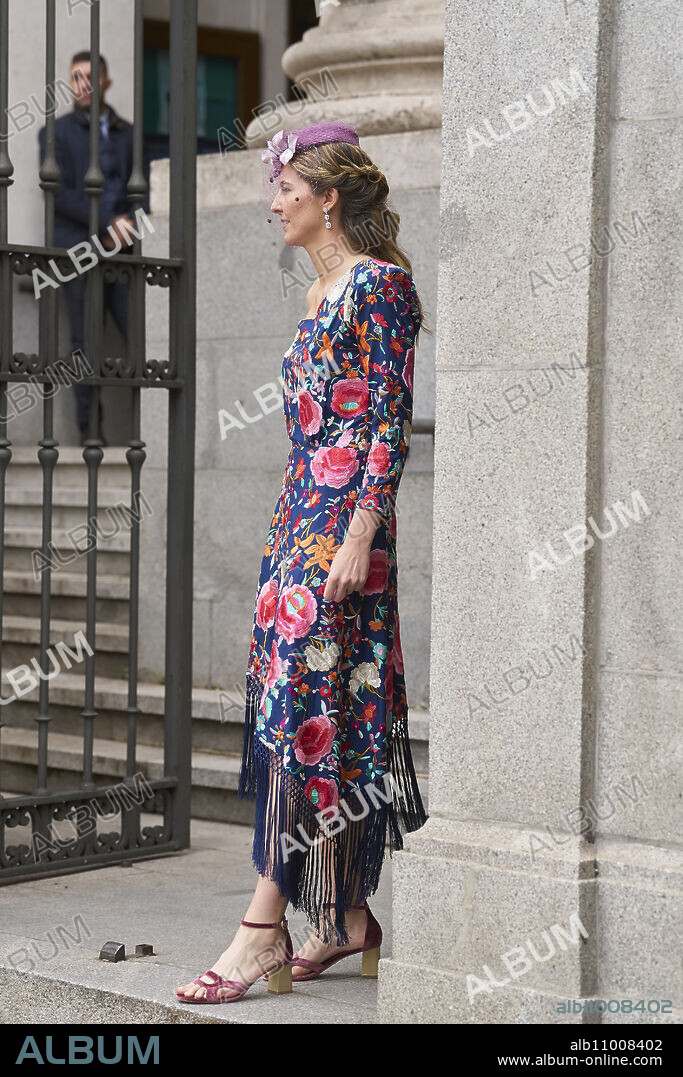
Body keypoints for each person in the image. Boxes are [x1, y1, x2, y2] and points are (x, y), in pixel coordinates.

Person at [176, 121, 428, 1005]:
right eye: (273, 184)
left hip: (343, 533)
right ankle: (344, 919)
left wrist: (360, 532)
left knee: (309, 717)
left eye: (286, 185)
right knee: (305, 708)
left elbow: (385, 423)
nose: (271, 199)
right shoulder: (318, 292)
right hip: (298, 525)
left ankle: (261, 930)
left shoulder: (379, 286)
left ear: (329, 198)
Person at [38, 52, 150, 444]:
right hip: (78, 251)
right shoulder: (55, 133)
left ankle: (147, 433)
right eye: (76, 78)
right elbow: (59, 195)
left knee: (140, 340)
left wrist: (129, 225)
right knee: (84, 343)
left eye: (90, 77)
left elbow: (144, 192)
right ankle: (91, 434)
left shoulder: (128, 132)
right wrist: (106, 224)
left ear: (106, 82)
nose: (83, 84)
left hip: (124, 253)